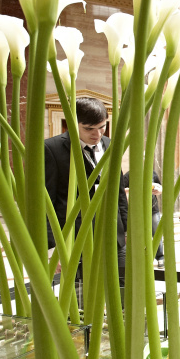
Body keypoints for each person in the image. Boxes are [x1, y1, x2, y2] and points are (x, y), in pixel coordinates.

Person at [44, 97, 127, 268]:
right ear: (74, 123)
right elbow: (46, 202)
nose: (97, 135)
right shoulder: (52, 149)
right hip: (75, 238)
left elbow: (118, 190)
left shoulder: (110, 144)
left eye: (102, 127)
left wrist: (125, 229)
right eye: (89, 129)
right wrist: (52, 247)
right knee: (83, 292)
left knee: (120, 290)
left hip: (113, 235)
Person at [121, 170, 164, 268]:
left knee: (156, 232)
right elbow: (121, 190)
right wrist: (135, 189)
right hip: (136, 210)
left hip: (153, 208)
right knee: (139, 235)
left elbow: (160, 188)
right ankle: (140, 258)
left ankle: (160, 257)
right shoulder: (129, 175)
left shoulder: (152, 173)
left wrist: (158, 190)